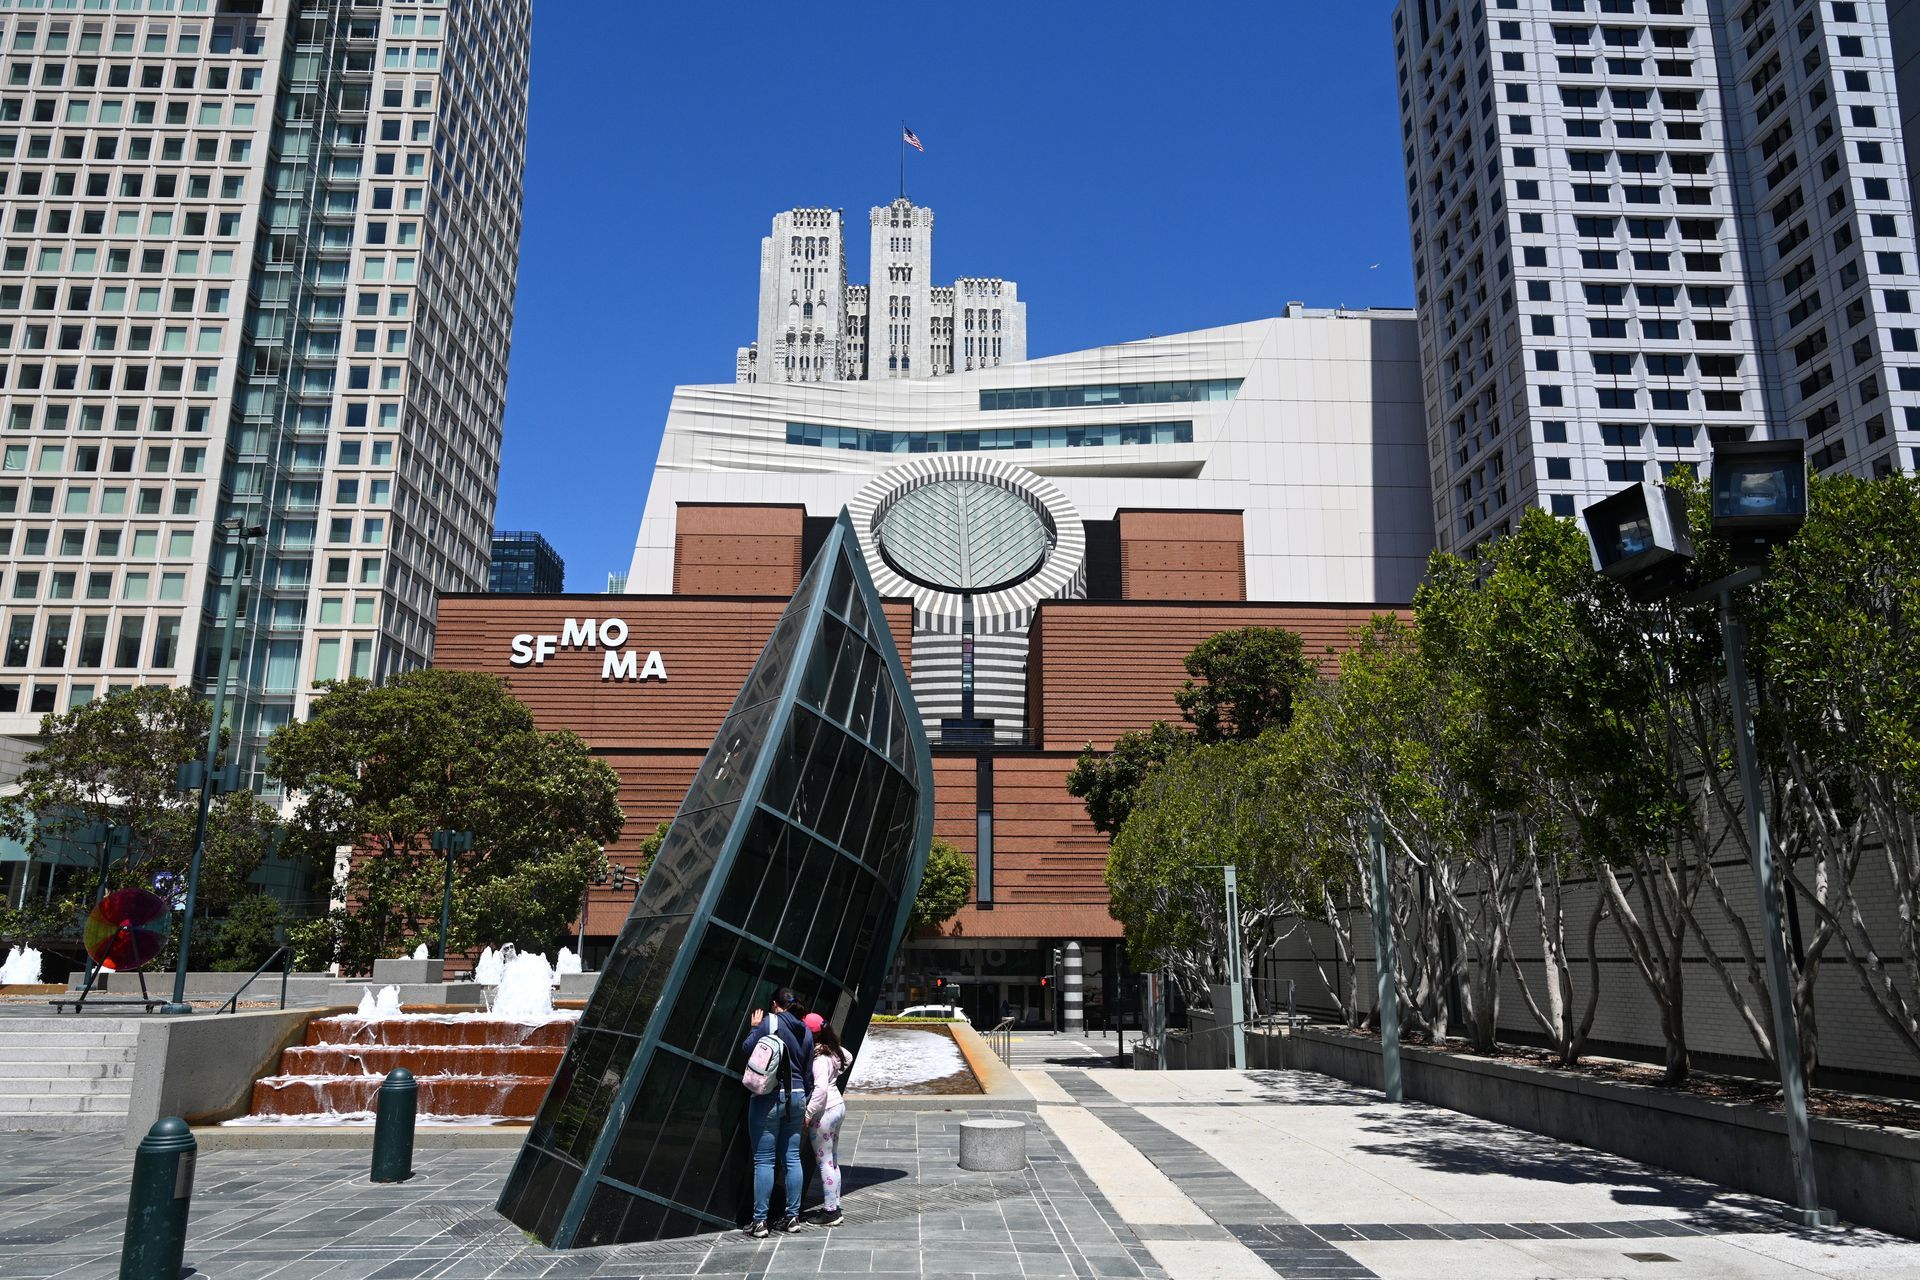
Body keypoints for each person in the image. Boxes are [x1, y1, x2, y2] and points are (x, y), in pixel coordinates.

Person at [742, 987, 813, 1237]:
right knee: (792, 1158)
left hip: (770, 1097)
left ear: (774, 1004)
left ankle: (760, 1222)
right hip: (798, 1097)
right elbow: (808, 1073)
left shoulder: (769, 1022)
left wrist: (754, 1028)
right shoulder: (804, 1030)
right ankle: (792, 1218)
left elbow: (748, 1049)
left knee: (764, 1160)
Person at [802, 1012, 851, 1227]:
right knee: (832, 1160)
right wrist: (836, 1074)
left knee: (824, 1163)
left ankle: (831, 1212)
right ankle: (834, 1206)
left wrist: (808, 1113)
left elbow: (820, 1090)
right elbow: (847, 1057)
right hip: (837, 1107)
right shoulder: (831, 1051)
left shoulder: (819, 1058)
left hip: (824, 1112)